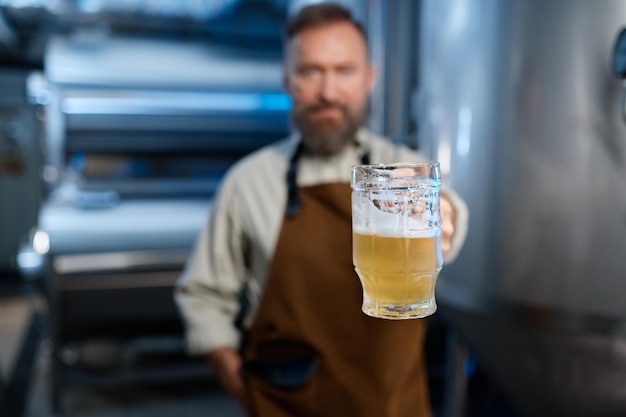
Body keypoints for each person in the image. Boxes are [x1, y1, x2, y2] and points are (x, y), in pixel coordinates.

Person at [175, 3, 468, 416]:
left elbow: (450, 213)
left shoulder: (403, 167)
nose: (328, 91)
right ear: (287, 78)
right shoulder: (248, 182)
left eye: (344, 71)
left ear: (370, 78)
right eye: (311, 71)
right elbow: (203, 298)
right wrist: (245, 391)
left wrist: (447, 216)